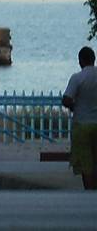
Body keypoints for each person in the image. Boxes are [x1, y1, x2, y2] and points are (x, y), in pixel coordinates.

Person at [62, 47, 97, 190]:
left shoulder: (77, 78)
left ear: (81, 61)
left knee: (85, 164)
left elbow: (66, 99)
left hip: (82, 125)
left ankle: (89, 192)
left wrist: (75, 106)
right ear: (93, 59)